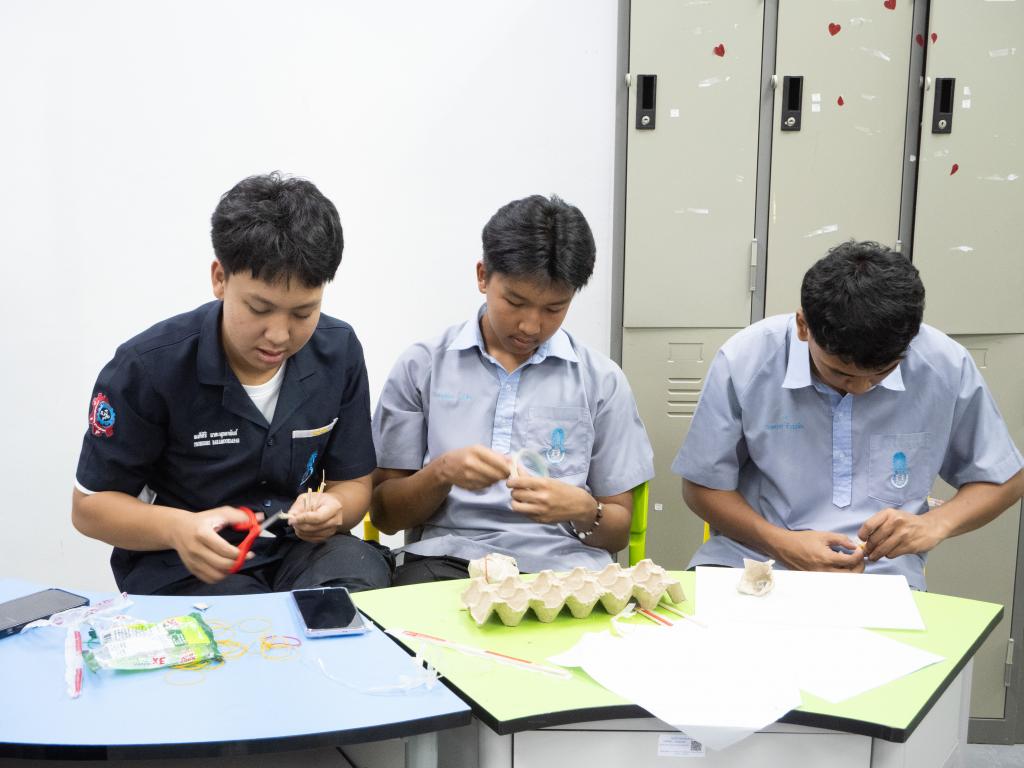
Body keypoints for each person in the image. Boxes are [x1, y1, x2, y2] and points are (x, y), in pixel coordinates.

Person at [72, 172, 392, 596]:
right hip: (189, 563)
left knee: (356, 584)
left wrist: (334, 509)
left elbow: (353, 484)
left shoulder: (339, 351)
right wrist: (179, 528)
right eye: (259, 308)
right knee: (246, 626)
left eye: (303, 313)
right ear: (220, 278)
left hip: (296, 550)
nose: (279, 335)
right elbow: (89, 507)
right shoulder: (148, 367)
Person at [674, 240, 1024, 590]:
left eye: (882, 372)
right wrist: (781, 543)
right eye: (840, 373)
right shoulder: (746, 360)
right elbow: (701, 486)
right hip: (752, 559)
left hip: (881, 575)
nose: (860, 388)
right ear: (803, 326)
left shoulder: (945, 366)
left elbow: (1005, 479)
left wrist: (936, 524)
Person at [371, 194, 654, 584]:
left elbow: (618, 532)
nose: (531, 326)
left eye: (554, 308)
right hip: (447, 561)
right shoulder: (422, 367)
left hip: (564, 568)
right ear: (483, 276)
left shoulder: (601, 381)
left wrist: (584, 510)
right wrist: (441, 473)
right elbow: (385, 516)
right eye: (515, 302)